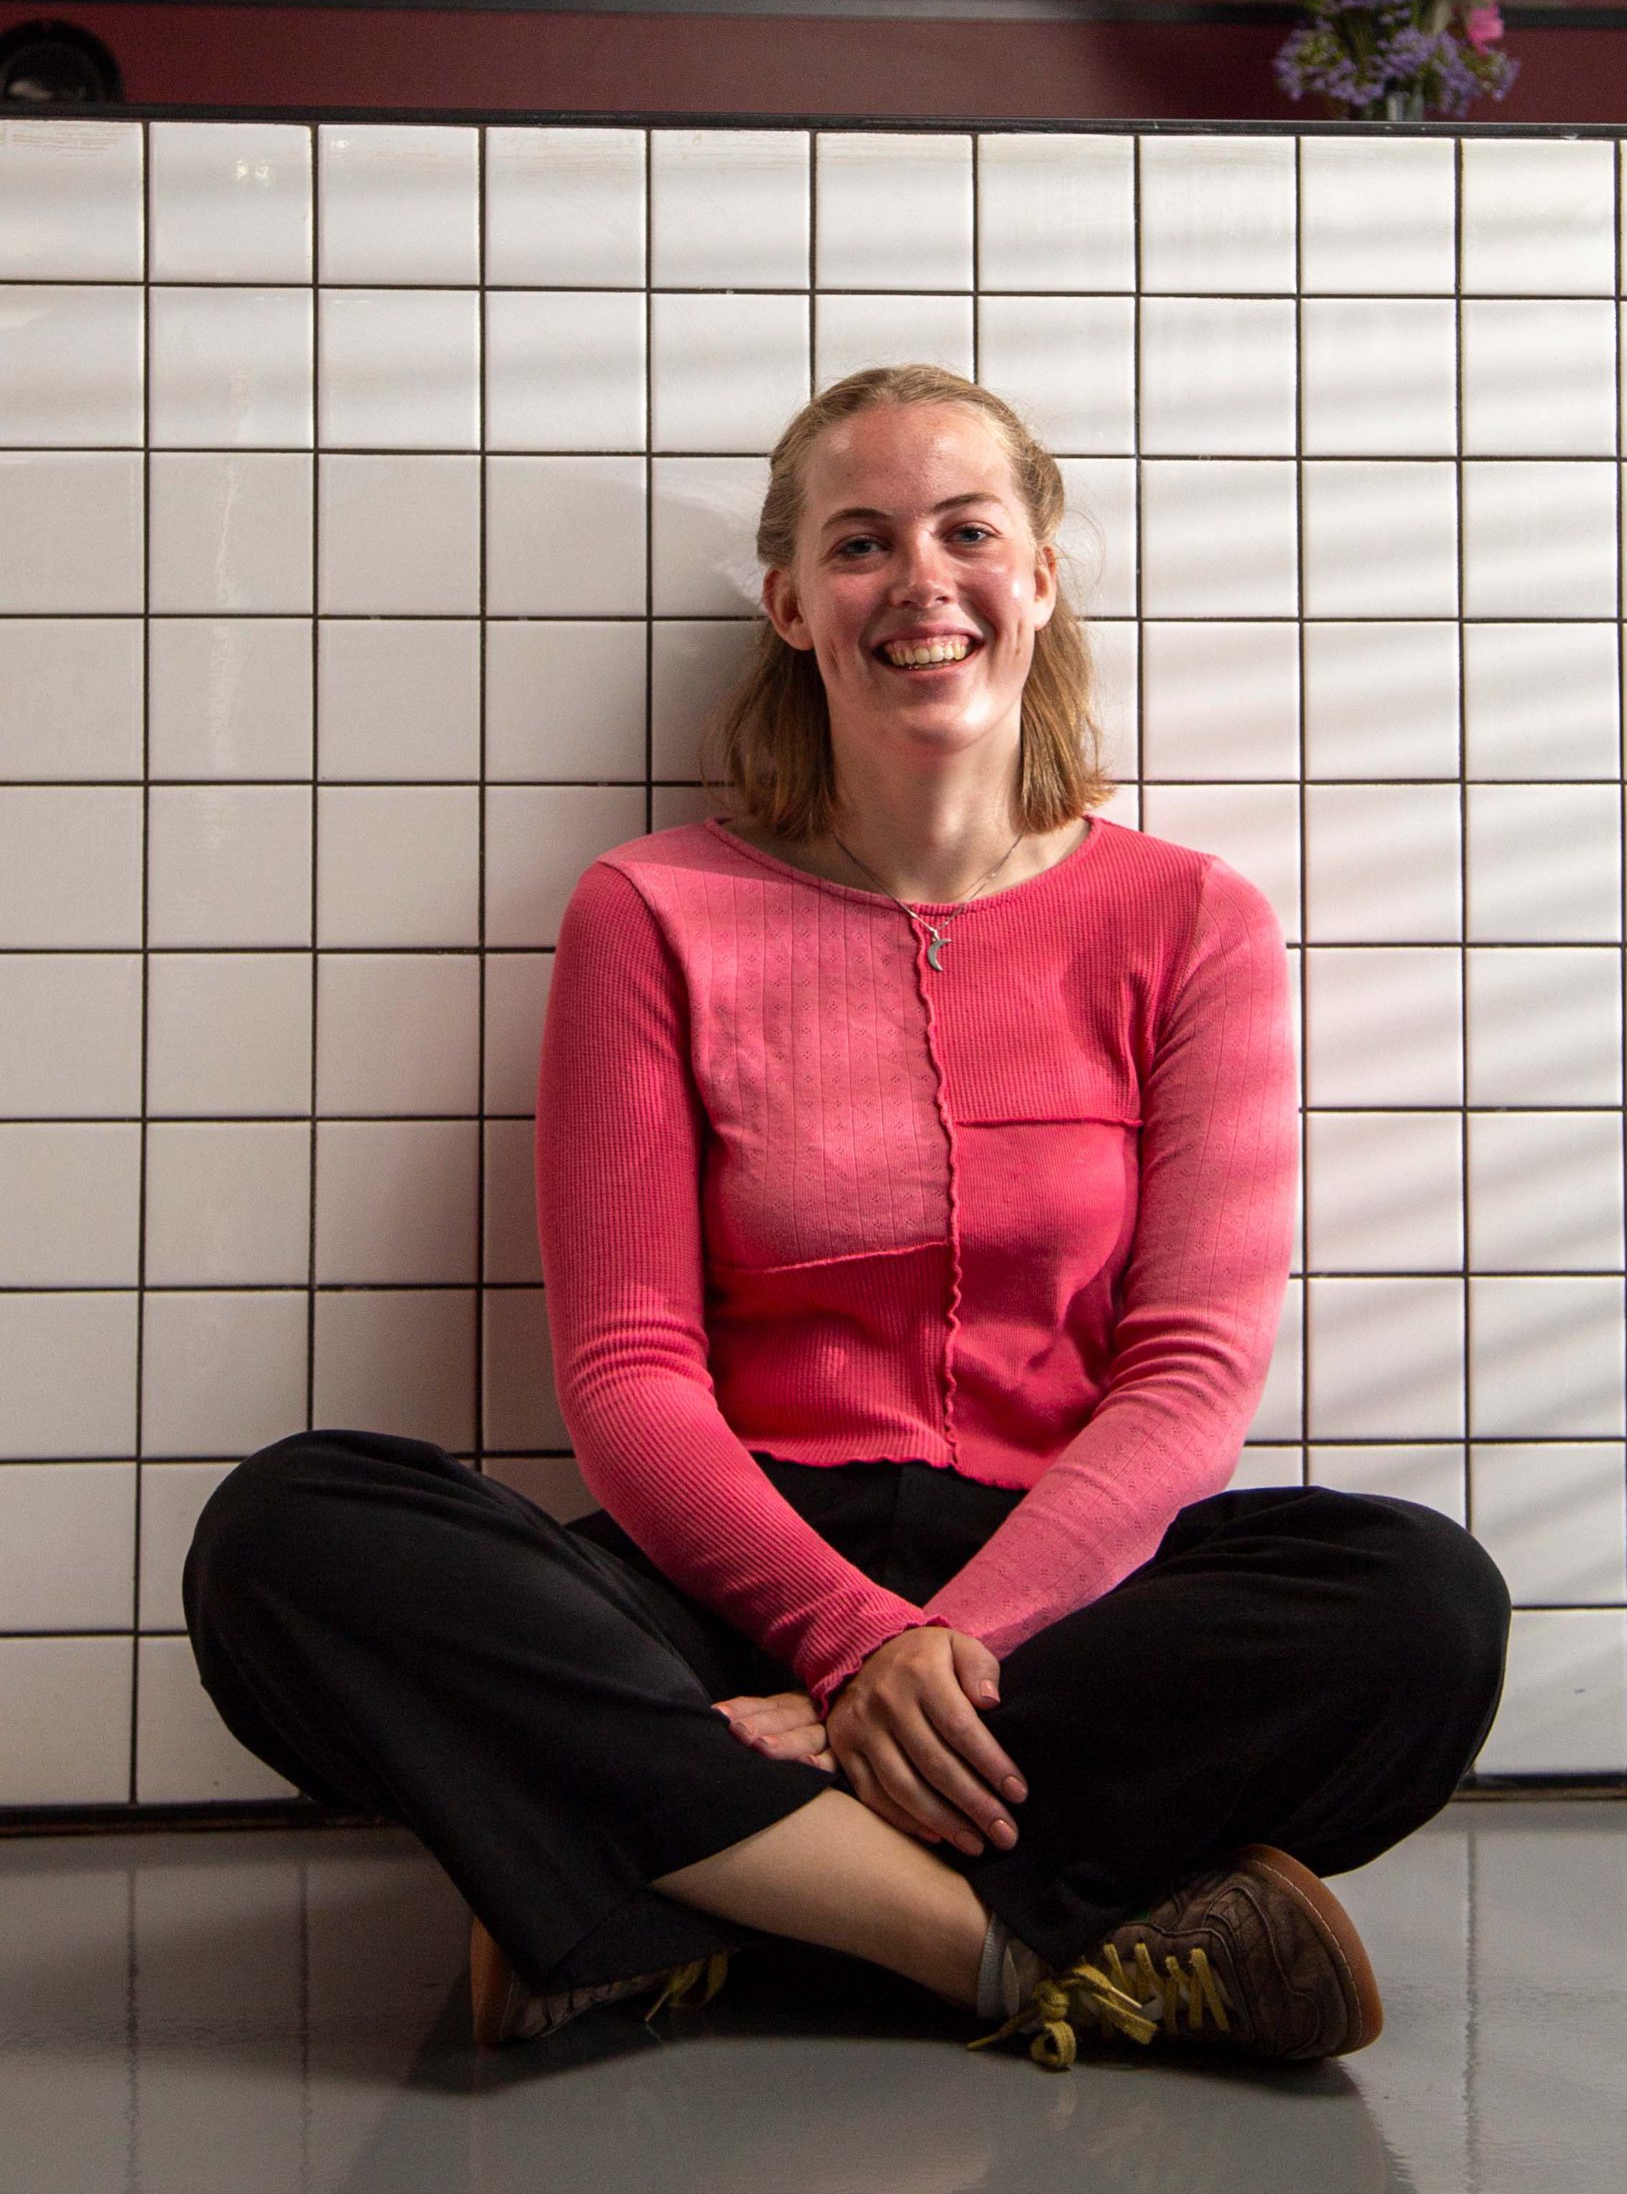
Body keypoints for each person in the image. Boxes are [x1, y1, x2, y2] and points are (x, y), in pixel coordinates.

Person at [184, 364, 1511, 2073]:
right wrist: (847, 1641)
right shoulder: (653, 909)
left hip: (1058, 1603)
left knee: (1418, 1605)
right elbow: (627, 1367)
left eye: (966, 533)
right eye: (860, 542)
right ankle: (983, 1948)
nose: (918, 582)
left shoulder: (1191, 921)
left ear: (1039, 577)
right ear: (791, 605)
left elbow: (1186, 1375)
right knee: (292, 1534)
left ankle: (668, 1879)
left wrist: (936, 1653)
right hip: (735, 1576)